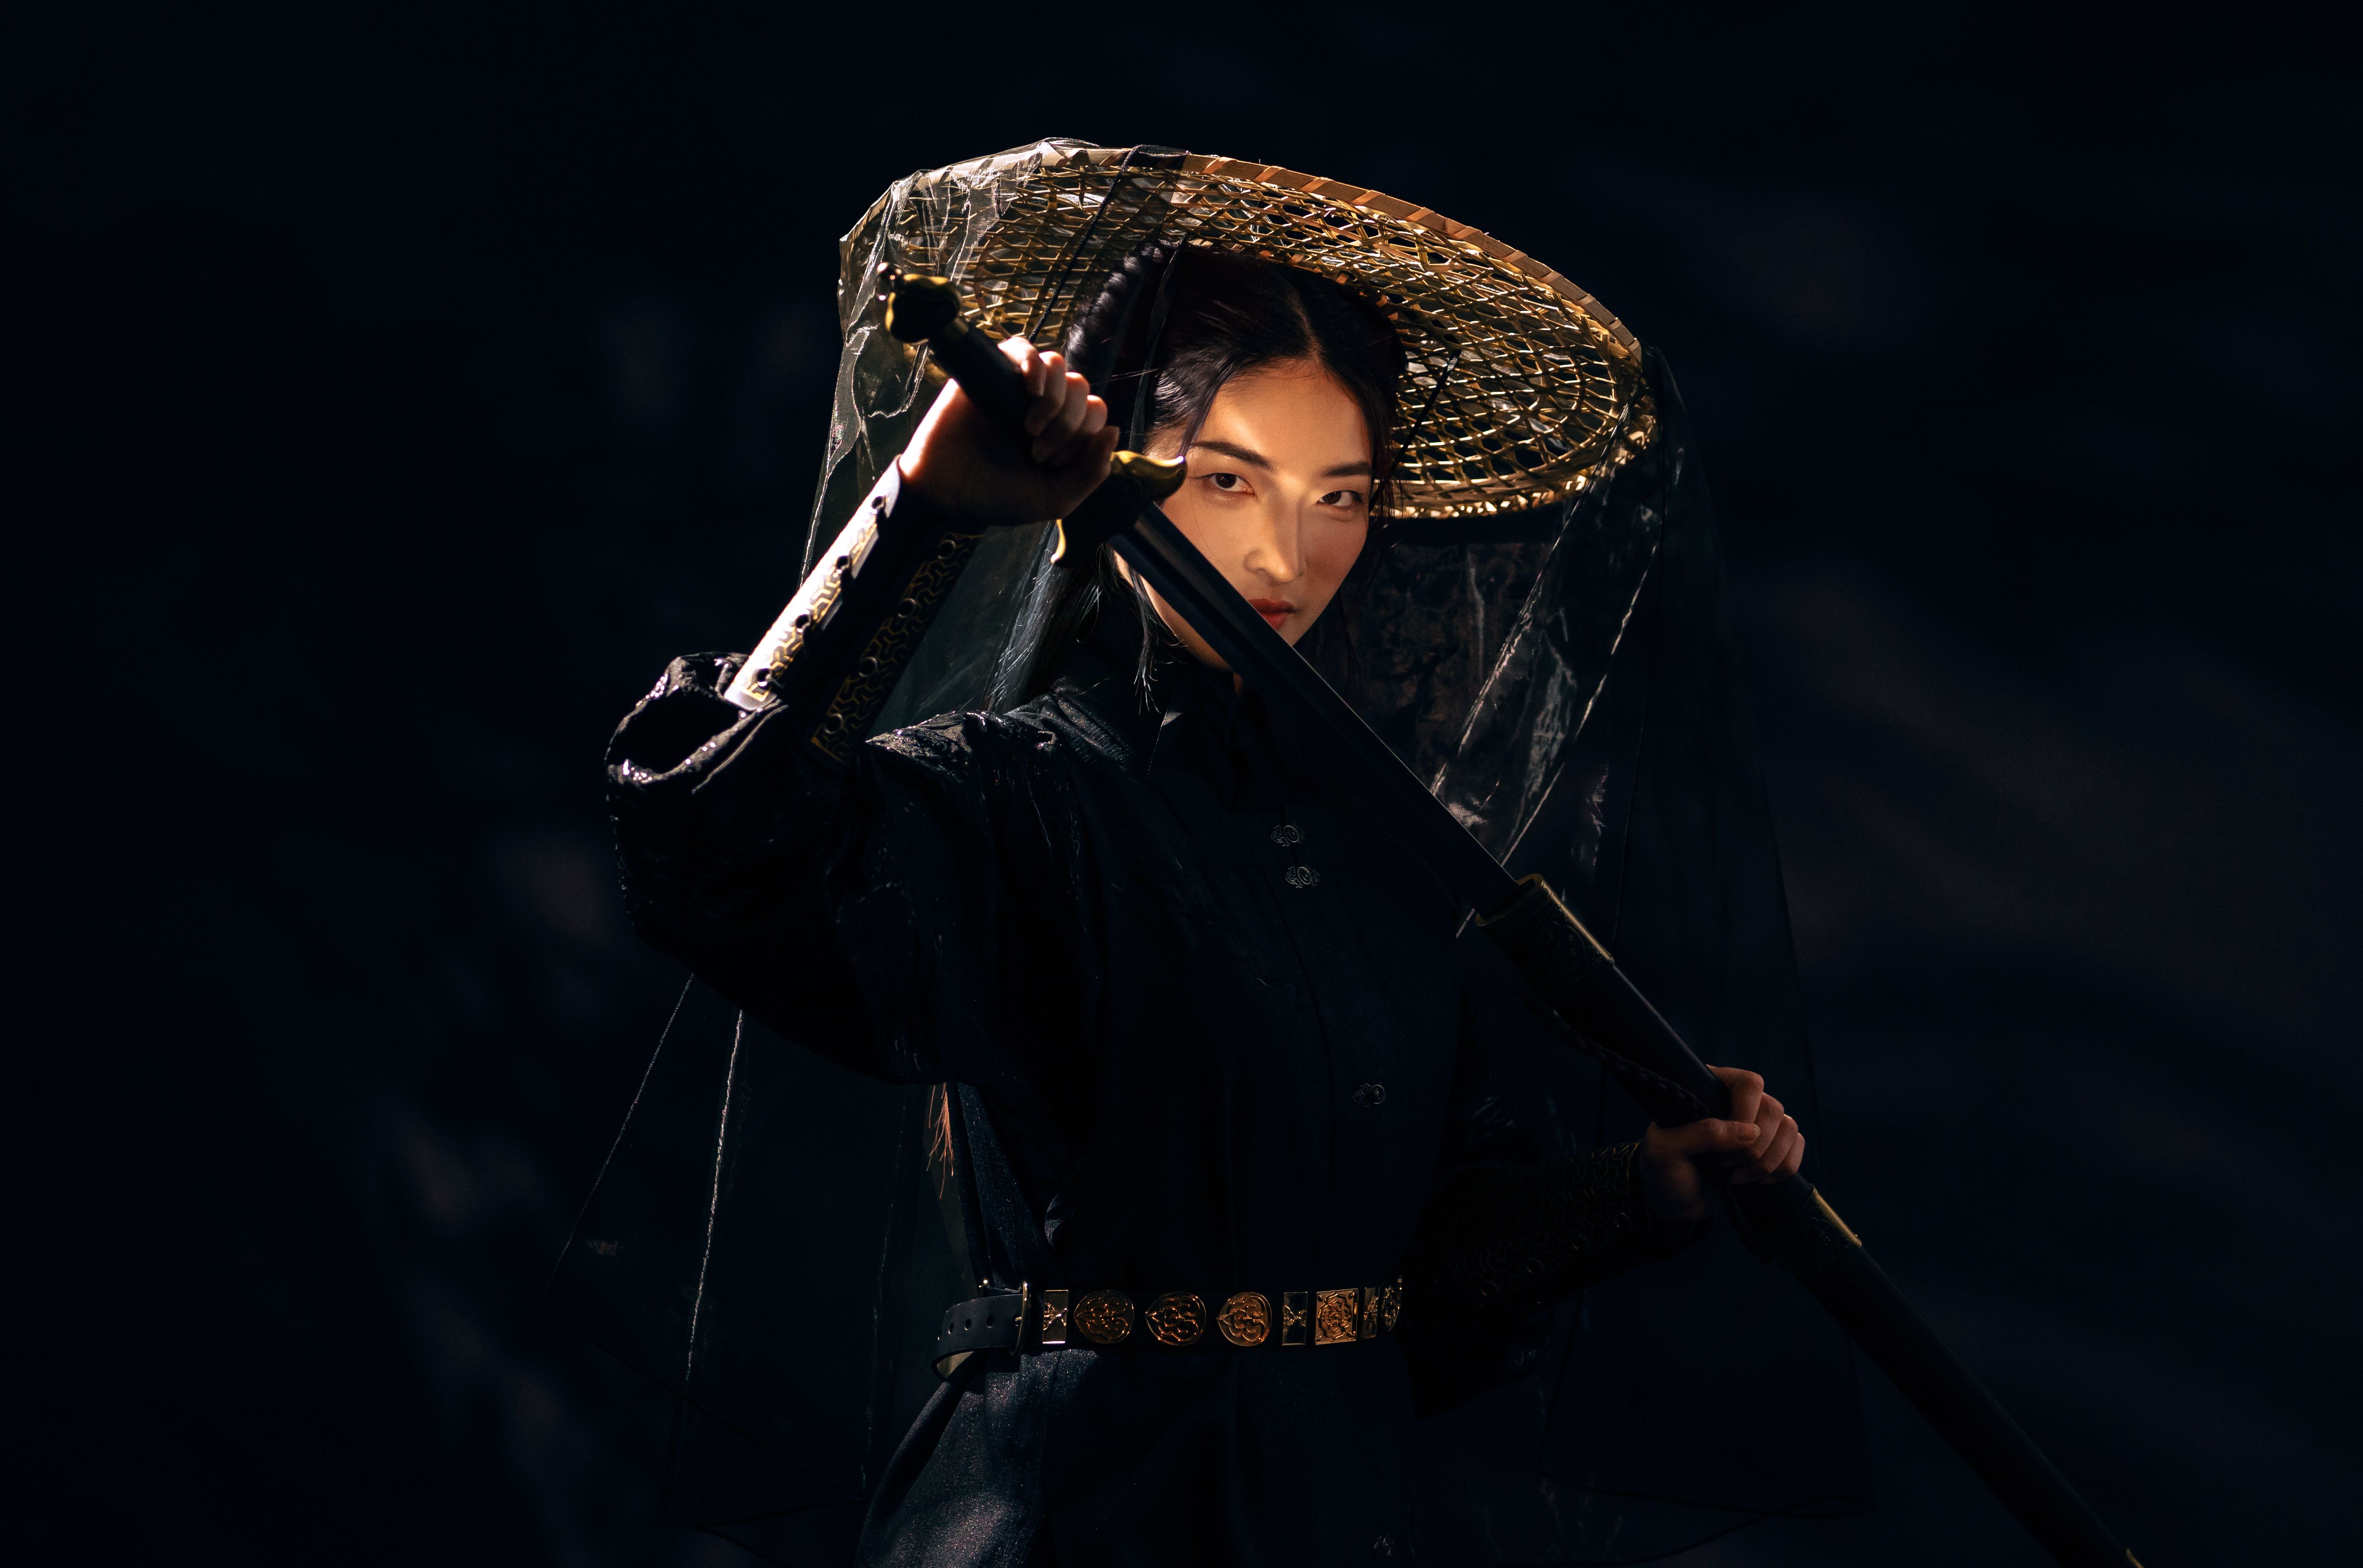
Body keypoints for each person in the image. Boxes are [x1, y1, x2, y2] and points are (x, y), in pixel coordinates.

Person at [605, 223, 1807, 1566]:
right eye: (1229, 481)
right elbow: (719, 849)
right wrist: (925, 510)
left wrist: (1639, 1191)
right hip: (1071, 1515)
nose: (1289, 556)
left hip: (1339, 1512)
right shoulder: (1018, 798)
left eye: (1340, 496)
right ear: (1116, 481)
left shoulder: (1381, 852)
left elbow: (1422, 1270)